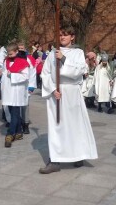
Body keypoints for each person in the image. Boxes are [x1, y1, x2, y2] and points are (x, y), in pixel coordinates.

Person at [39, 25, 98, 174]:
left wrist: (64, 59)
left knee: (75, 125)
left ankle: (78, 155)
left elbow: (80, 70)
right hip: (57, 93)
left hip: (72, 93)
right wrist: (53, 89)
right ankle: (55, 160)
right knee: (57, 126)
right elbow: (45, 74)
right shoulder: (52, 53)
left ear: (72, 37)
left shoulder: (78, 52)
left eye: (65, 35)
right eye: (59, 35)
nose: (62, 37)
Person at [1, 42, 30, 147]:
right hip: (8, 90)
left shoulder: (23, 62)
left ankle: (10, 133)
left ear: (17, 52)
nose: (9, 56)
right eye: (8, 54)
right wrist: (2, 75)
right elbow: (5, 74)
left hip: (17, 91)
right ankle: (19, 132)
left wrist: (12, 75)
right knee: (13, 111)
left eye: (11, 54)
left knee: (15, 113)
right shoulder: (6, 61)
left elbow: (26, 76)